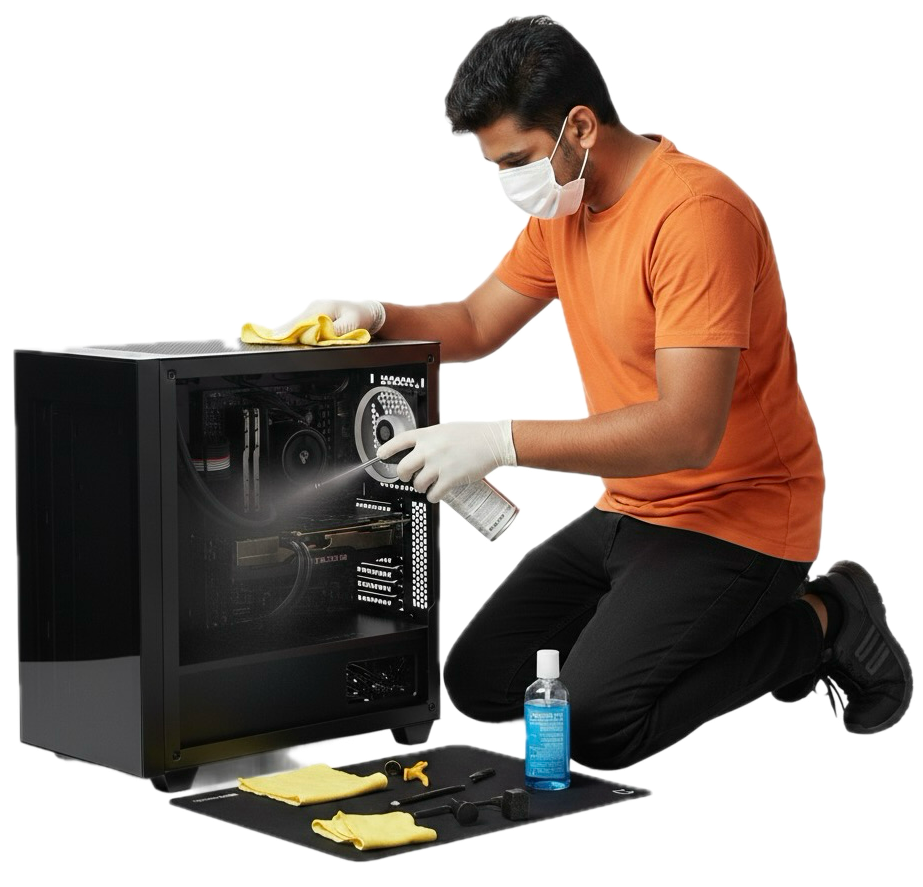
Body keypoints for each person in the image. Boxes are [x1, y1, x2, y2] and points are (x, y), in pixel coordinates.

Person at [267, 13, 915, 770]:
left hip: (741, 517)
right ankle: (661, 636)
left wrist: (500, 441)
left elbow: (685, 432)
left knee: (592, 729)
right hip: (632, 506)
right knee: (478, 683)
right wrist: (373, 316)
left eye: (514, 158)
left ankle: (824, 618)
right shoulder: (567, 208)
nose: (506, 181)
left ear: (580, 126)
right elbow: (478, 321)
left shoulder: (696, 216)